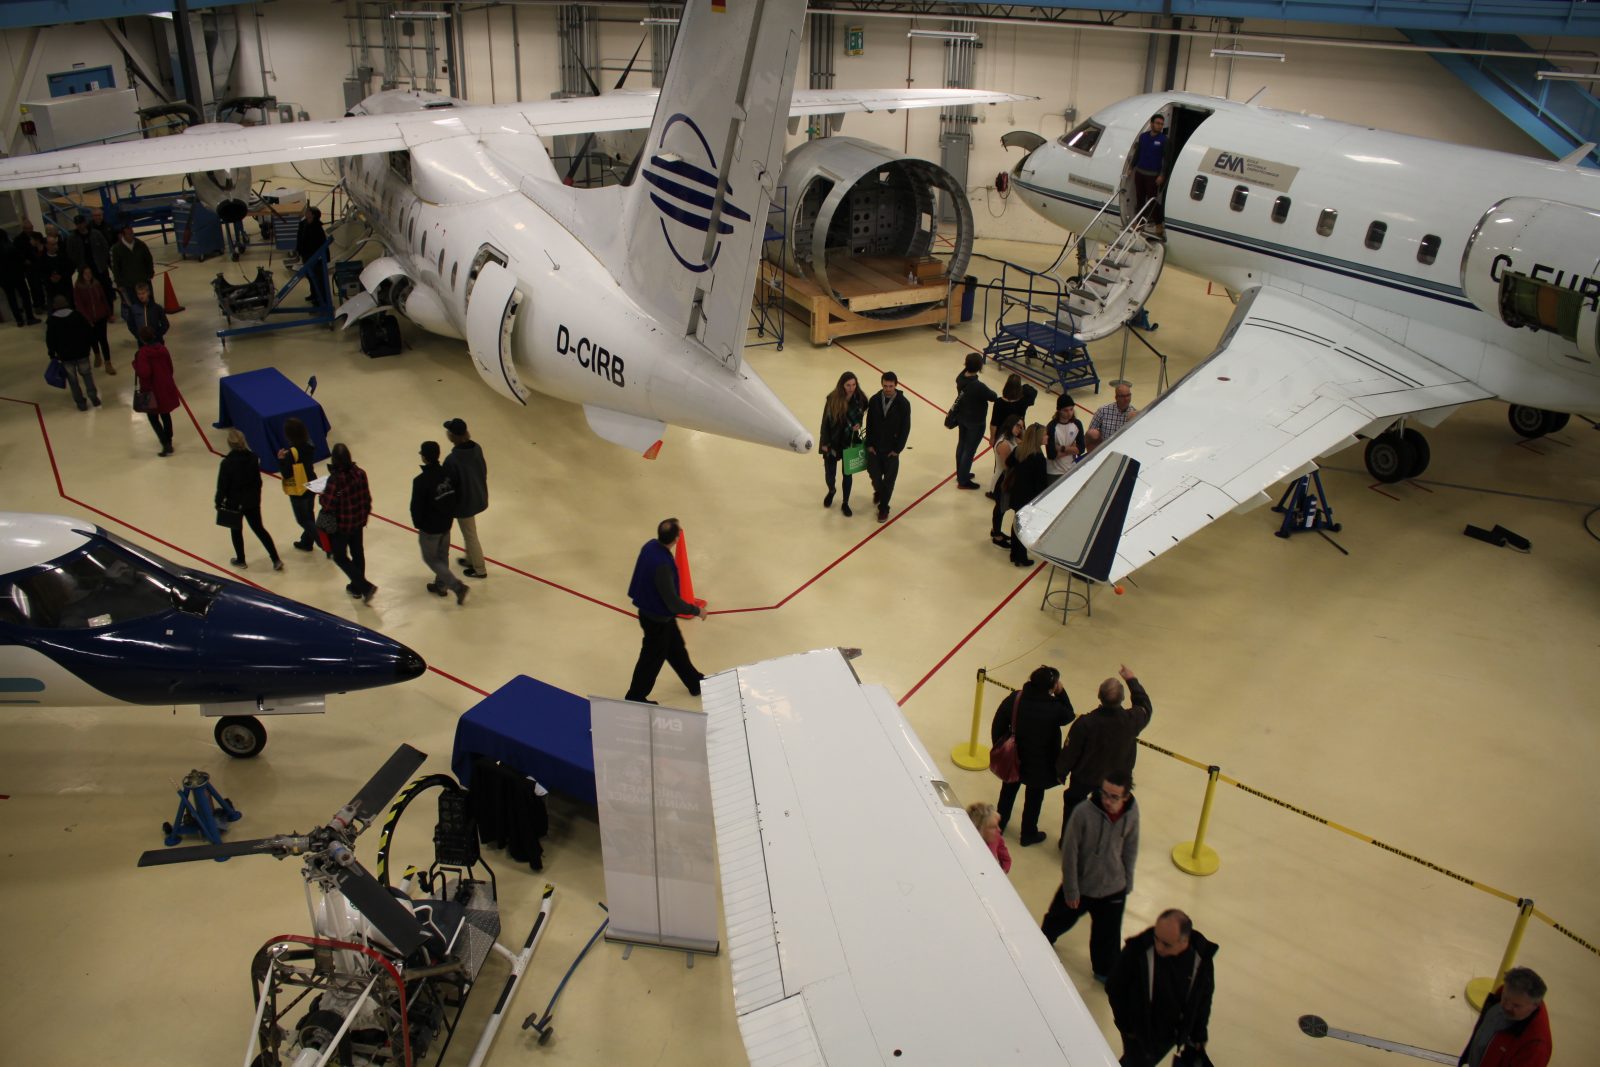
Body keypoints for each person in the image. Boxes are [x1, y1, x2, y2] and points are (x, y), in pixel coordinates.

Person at [1042, 771, 1138, 982]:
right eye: (1105, 794)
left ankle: (1105, 973)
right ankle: (1041, 942)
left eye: (1114, 797)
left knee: (1108, 937)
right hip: (1082, 885)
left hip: (1114, 888)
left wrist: (1127, 881)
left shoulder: (1132, 812)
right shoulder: (1083, 813)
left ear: (1126, 797)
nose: (1108, 800)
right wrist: (1071, 888)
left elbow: (1131, 846)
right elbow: (1070, 852)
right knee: (1057, 919)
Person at [1108, 909, 1215, 1067]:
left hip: (1171, 1032)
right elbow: (1115, 987)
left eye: (1166, 944)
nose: (1159, 947)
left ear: (1184, 942)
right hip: (1139, 1030)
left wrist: (1198, 1034)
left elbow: (1203, 999)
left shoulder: (1201, 959)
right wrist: (1127, 1027)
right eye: (1156, 938)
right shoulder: (1138, 951)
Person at [1057, 666, 1153, 841]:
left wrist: (1060, 772)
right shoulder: (1132, 720)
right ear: (1123, 698)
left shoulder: (1085, 723)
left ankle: (1068, 842)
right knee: (1108, 812)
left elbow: (1070, 752)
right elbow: (1145, 706)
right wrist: (1131, 680)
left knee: (1073, 805)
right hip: (1115, 781)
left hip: (1085, 776)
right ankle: (1098, 845)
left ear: (1099, 697)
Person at [624, 518, 706, 704]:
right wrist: (696, 610)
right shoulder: (662, 565)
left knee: (676, 649)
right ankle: (635, 696)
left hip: (653, 614)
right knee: (651, 660)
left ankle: (694, 683)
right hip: (657, 619)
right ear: (676, 538)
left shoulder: (650, 546)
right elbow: (673, 602)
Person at [991, 665, 1075, 846]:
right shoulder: (1054, 708)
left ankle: (999, 825)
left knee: (1007, 792)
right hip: (1041, 763)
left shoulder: (1017, 698)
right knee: (1034, 798)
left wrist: (999, 745)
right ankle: (1028, 833)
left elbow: (998, 722)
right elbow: (1069, 714)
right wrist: (1061, 693)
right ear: (1052, 687)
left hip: (1014, 757)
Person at [410, 440, 468, 605]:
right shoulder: (448, 474)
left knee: (431, 559)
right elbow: (455, 494)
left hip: (430, 528)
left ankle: (456, 586)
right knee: (442, 555)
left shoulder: (420, 481)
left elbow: (416, 507)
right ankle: (441, 586)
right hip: (446, 523)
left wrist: (419, 524)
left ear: (424, 458)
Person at [215, 429, 282, 571]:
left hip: (234, 502)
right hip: (252, 500)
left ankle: (241, 559)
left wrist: (218, 502)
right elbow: (258, 481)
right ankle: (275, 559)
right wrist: (256, 495)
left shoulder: (227, 463)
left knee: (236, 530)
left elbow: (222, 486)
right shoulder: (253, 458)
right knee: (259, 529)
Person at [1459, 966, 1552, 1067]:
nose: (1506, 1007)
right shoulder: (1502, 993)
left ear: (1535, 1005)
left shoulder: (1535, 1047)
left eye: (1516, 1005)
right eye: (1505, 998)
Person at [321, 442, 376, 604]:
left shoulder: (335, 480)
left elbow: (327, 504)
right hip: (358, 521)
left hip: (342, 526)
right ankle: (357, 587)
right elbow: (367, 497)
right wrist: (364, 515)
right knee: (358, 553)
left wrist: (322, 495)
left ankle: (364, 586)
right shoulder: (360, 473)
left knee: (339, 556)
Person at [442, 417, 489, 578]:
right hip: (477, 494)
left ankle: (480, 568)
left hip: (464, 502)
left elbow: (448, 486)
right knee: (469, 531)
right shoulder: (476, 448)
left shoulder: (452, 460)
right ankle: (470, 559)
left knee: (470, 534)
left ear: (453, 436)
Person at [864, 370, 911, 524]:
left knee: (889, 482)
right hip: (875, 448)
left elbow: (905, 428)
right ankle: (879, 490)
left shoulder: (904, 404)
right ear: (882, 385)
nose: (888, 389)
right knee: (874, 476)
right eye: (885, 386)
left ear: (896, 385)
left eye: (891, 386)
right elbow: (869, 423)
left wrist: (897, 450)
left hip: (891, 451)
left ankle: (884, 508)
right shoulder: (875, 400)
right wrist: (869, 444)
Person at [818, 371, 868, 516]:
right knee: (829, 473)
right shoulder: (833, 399)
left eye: (854, 384)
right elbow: (825, 423)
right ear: (842, 385)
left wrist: (858, 423)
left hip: (849, 441)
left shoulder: (860, 399)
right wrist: (825, 442)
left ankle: (845, 502)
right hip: (833, 441)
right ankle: (831, 490)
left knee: (847, 474)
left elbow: (863, 410)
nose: (851, 388)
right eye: (848, 385)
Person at [1002, 423, 1050, 566]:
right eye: (1045, 435)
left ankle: (1014, 553)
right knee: (1024, 528)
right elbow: (1041, 484)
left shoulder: (1020, 450)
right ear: (1038, 438)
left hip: (1017, 493)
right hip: (1029, 498)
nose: (1047, 437)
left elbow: (1009, 462)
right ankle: (1021, 557)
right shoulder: (1039, 458)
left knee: (1017, 523)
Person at [44, 294, 100, 411]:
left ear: (54, 306)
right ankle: (93, 397)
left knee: (73, 380)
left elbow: (50, 340)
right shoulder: (77, 316)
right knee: (87, 375)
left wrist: (52, 353)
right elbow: (88, 332)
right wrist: (91, 347)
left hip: (65, 356)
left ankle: (81, 403)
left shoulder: (52, 321)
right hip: (82, 353)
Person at [952, 352, 997, 490]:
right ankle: (963, 480)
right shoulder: (978, 386)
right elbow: (993, 396)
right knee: (969, 450)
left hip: (962, 417)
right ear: (979, 367)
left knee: (962, 445)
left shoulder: (960, 378)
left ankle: (961, 473)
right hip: (975, 422)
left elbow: (968, 370)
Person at [131, 325, 178, 454]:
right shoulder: (163, 349)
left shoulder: (142, 354)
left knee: (153, 417)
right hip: (165, 386)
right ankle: (169, 440)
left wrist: (135, 365)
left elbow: (145, 373)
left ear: (141, 339)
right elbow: (170, 368)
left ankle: (165, 443)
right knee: (166, 414)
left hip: (150, 390)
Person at [276, 416, 319, 551]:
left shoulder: (292, 453)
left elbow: (287, 474)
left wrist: (281, 460)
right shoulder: (309, 444)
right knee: (309, 514)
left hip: (299, 488)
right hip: (311, 483)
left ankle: (325, 542)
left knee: (303, 519)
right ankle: (307, 542)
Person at [1130, 114, 1169, 240]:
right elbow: (1138, 153)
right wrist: (1131, 167)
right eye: (1157, 123)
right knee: (1140, 199)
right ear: (1152, 124)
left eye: (1161, 124)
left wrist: (1162, 175)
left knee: (1152, 200)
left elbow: (1166, 159)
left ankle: (1158, 224)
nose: (1159, 126)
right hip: (1140, 173)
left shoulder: (1163, 140)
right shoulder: (1143, 137)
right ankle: (1140, 223)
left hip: (1153, 176)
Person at [990, 413, 1024, 547]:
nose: (1019, 429)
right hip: (1002, 479)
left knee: (1001, 508)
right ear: (1010, 424)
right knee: (1000, 508)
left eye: (1021, 427)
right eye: (1017, 426)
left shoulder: (1013, 439)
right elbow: (1008, 465)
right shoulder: (1004, 443)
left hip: (1007, 477)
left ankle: (996, 530)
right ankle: (997, 536)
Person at [73, 266, 114, 373]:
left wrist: (109, 313)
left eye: (90, 273)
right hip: (88, 318)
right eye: (86, 273)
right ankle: (97, 354)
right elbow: (80, 305)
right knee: (93, 338)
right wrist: (88, 319)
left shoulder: (96, 284)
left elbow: (103, 299)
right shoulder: (78, 287)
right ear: (81, 275)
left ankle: (108, 362)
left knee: (103, 339)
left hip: (101, 316)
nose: (88, 275)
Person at [988, 372, 1038, 454]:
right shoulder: (1024, 401)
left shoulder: (999, 402)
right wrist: (1023, 388)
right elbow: (1033, 391)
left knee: (1001, 457)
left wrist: (992, 437)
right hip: (1018, 433)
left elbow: (994, 423)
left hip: (1001, 435)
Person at [110, 223, 154, 307]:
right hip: (129, 284)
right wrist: (119, 283)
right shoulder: (116, 249)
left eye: (132, 233)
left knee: (149, 304)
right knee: (134, 306)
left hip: (143, 280)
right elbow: (116, 268)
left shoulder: (140, 244)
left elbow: (148, 259)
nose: (131, 235)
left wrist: (150, 273)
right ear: (122, 235)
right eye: (129, 234)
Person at [0, 231, 37, 326]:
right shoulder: (11, 247)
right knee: (25, 296)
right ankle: (29, 317)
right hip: (17, 276)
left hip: (4, 279)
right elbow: (21, 260)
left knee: (11, 299)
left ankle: (19, 320)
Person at [295, 205, 330, 306]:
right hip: (306, 255)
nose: (306, 212)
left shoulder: (317, 228)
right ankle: (314, 294)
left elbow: (321, 244)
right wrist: (298, 251)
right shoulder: (304, 224)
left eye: (308, 211)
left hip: (315, 258)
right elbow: (299, 238)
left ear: (313, 215)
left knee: (318, 278)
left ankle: (321, 299)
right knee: (310, 276)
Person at [1086, 382, 1136, 451]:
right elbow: (1090, 434)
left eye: (1128, 395)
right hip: (1104, 448)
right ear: (1116, 398)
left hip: (1123, 448)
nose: (1126, 399)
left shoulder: (1134, 414)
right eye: (1123, 396)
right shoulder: (1103, 410)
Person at [1045, 394, 1085, 479]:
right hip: (1054, 471)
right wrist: (1072, 449)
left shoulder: (1077, 424)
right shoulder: (1052, 427)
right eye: (1065, 410)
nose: (1069, 413)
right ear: (1059, 410)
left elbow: (1081, 449)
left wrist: (1061, 448)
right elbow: (1051, 455)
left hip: (1071, 468)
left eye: (1071, 409)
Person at [966, 801, 1011, 873]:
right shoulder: (967, 847)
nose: (999, 830)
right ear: (979, 829)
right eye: (993, 827)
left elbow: (1006, 859)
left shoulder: (997, 837)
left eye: (998, 825)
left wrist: (1004, 871)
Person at [123, 280, 169, 346]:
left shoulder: (157, 308)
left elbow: (165, 324)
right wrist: (138, 336)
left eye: (143, 293)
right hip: (142, 343)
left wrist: (156, 335)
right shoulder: (133, 309)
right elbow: (131, 325)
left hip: (157, 342)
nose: (141, 296)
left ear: (148, 293)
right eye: (139, 294)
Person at [40, 234, 74, 307]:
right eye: (52, 244)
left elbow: (70, 268)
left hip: (65, 288)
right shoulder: (42, 259)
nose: (55, 246)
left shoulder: (63, 256)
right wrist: (50, 278)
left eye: (56, 244)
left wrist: (61, 276)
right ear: (47, 245)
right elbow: (41, 273)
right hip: (52, 290)